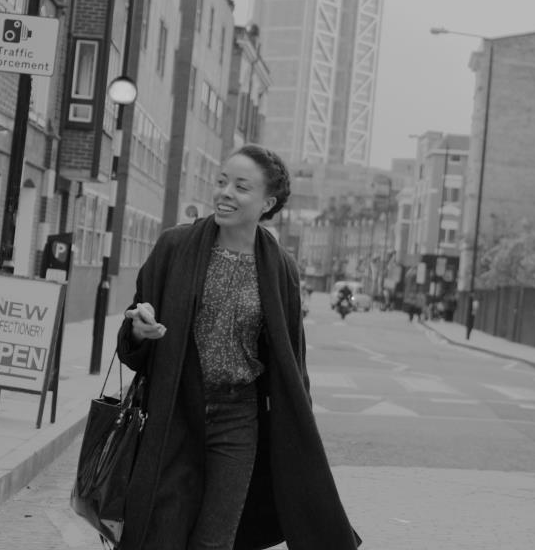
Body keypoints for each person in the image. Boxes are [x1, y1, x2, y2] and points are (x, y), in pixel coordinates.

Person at [116, 144, 360, 550]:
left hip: (238, 419)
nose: (225, 193)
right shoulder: (174, 247)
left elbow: (292, 362)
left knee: (216, 541)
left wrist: (297, 429)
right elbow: (131, 340)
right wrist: (140, 330)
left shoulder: (280, 268)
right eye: (222, 181)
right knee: (161, 536)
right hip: (175, 411)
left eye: (241, 187)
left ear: (268, 203)